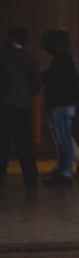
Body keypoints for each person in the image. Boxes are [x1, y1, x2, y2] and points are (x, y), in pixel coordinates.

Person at [39, 30, 79, 184]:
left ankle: (65, 174)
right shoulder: (65, 61)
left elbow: (57, 82)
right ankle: (65, 170)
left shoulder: (63, 62)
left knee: (64, 141)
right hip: (62, 106)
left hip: (61, 106)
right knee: (63, 141)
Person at [2, 26, 38, 187]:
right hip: (23, 107)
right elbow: (36, 85)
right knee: (25, 144)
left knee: (3, 144)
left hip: (5, 107)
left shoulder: (3, 57)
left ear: (11, 39)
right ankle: (30, 177)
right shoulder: (29, 59)